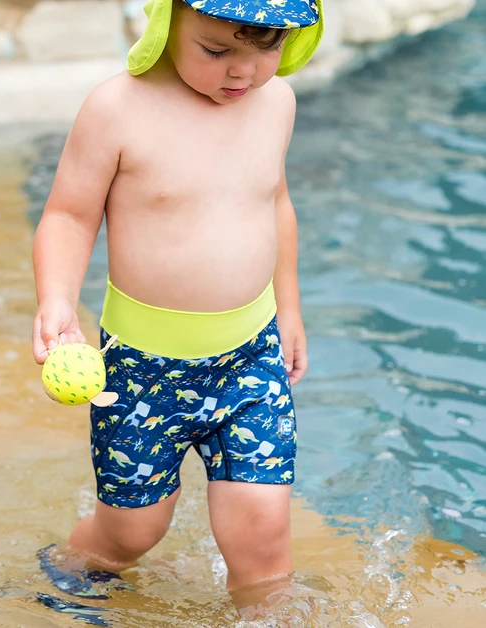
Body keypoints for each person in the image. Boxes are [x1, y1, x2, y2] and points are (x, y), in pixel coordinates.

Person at [32, 0, 324, 608]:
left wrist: (290, 309)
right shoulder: (117, 109)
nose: (243, 71)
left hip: (249, 358)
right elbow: (69, 215)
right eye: (216, 50)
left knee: (263, 537)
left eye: (268, 47)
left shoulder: (276, 103)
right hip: (142, 368)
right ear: (166, 22)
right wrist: (56, 301)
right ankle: (69, 570)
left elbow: (275, 203)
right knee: (131, 533)